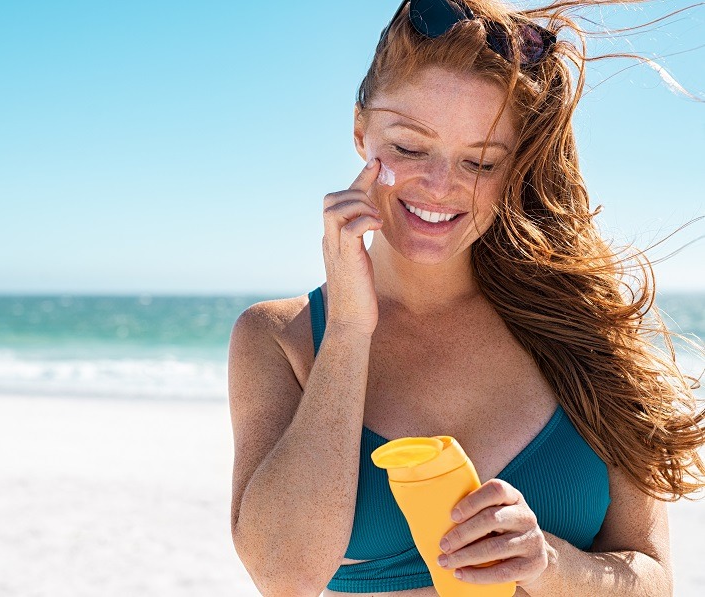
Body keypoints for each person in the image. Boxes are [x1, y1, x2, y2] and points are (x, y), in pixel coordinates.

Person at [228, 0, 705, 595]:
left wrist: (550, 564)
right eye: (407, 148)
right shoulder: (282, 338)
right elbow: (284, 575)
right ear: (360, 132)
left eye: (479, 161)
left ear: (514, 168)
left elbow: (653, 580)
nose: (439, 187)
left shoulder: (588, 328)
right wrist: (350, 330)